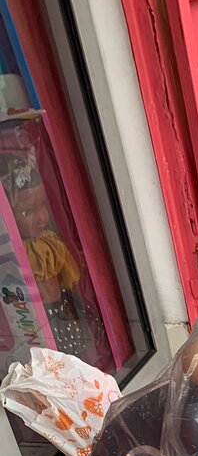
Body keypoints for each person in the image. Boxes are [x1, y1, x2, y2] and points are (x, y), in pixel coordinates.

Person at [1, 150, 112, 368]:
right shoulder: (13, 255)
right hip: (36, 325)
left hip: (64, 311)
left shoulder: (49, 242)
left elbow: (68, 276)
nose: (42, 217)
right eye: (27, 212)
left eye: (43, 205)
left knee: (76, 359)